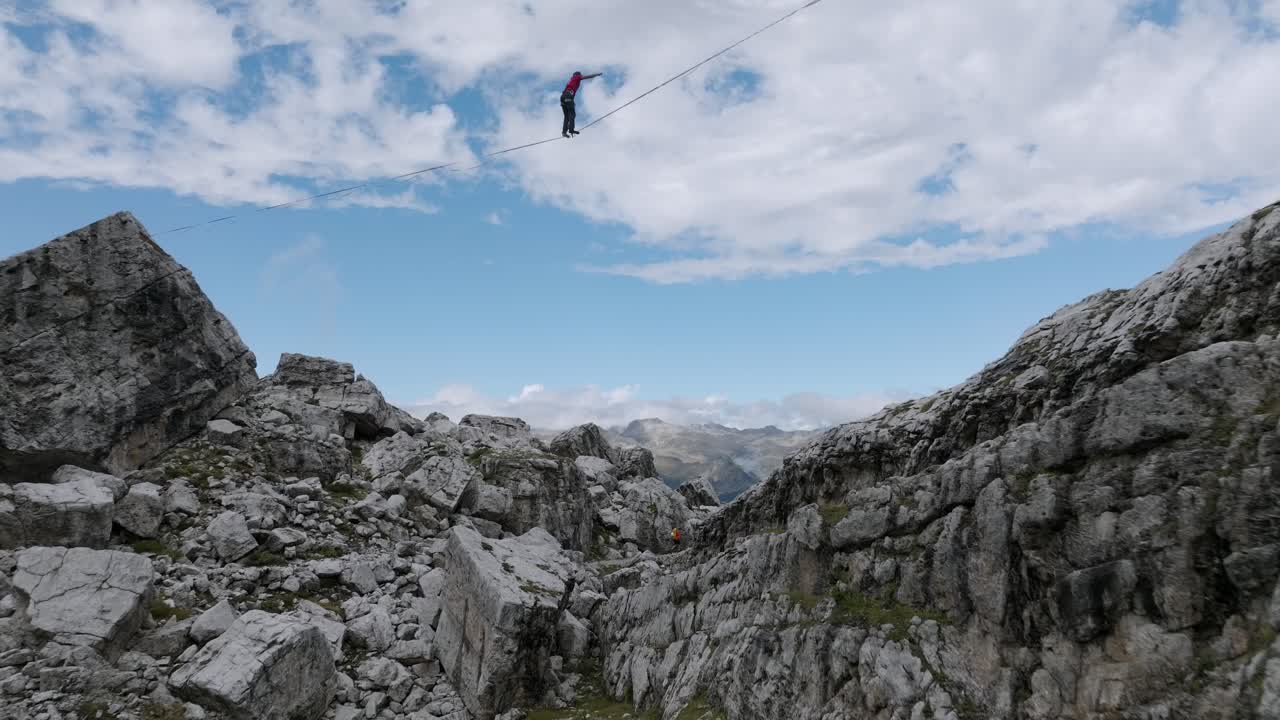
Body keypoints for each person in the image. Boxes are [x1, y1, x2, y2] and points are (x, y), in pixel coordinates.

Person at [561, 71, 602, 137]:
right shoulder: (576, 77)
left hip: (563, 97)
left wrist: (572, 103)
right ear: (578, 75)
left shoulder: (571, 81)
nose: (581, 76)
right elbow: (587, 76)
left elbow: (569, 96)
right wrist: (596, 74)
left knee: (566, 116)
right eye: (580, 75)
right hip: (568, 96)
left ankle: (564, 132)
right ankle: (571, 129)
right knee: (572, 114)